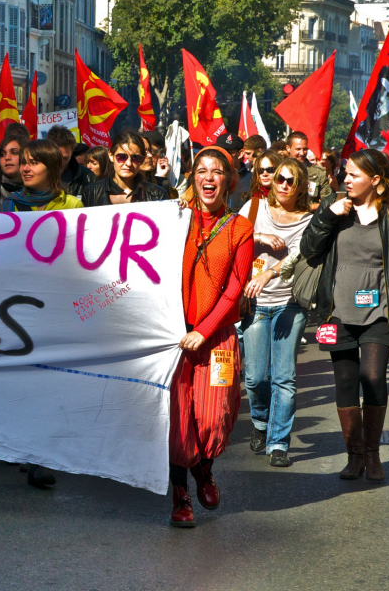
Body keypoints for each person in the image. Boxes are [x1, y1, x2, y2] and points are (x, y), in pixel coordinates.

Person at [299, 149, 389, 484]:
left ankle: (372, 453)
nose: (345, 179)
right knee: (346, 382)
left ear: (375, 180)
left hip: (379, 313)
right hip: (337, 313)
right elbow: (309, 250)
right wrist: (327, 216)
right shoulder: (335, 207)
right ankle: (354, 456)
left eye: (353, 175)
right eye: (345, 174)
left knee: (374, 377)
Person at [169, 146, 253, 528]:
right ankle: (181, 495)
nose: (208, 177)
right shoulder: (174, 221)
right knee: (176, 422)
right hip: (173, 337)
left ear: (228, 180)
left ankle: (205, 470)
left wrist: (204, 331)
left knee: (214, 419)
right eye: (201, 170)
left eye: (216, 171)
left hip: (216, 339)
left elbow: (236, 285)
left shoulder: (240, 227)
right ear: (193, 177)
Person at [239, 159, 314, 467]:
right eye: (279, 177)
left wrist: (268, 274)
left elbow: (297, 258)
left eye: (290, 180)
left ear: (300, 187)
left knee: (284, 378)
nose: (282, 184)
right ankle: (259, 421)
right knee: (256, 378)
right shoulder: (254, 209)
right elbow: (231, 236)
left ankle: (279, 443)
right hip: (255, 305)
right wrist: (259, 238)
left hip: (290, 304)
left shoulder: (308, 220)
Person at [82, 132, 169, 206]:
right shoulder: (92, 192)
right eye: (122, 157)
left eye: (136, 158)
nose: (128, 163)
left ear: (141, 160)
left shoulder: (157, 194)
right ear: (111, 156)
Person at [0, 139, 83, 213]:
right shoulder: (10, 203)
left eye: (34, 163)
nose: (25, 168)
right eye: (23, 163)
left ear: (51, 168)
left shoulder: (73, 205)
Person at [286, 131, 331, 207]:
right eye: (298, 149)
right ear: (288, 148)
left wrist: (310, 207)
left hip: (310, 216)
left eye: (305, 149)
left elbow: (327, 201)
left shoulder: (318, 172)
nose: (302, 153)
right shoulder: (279, 170)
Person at [46, 125, 93, 199]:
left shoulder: (87, 176)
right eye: (57, 156)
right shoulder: (34, 174)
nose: (61, 162)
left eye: (65, 158)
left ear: (71, 152)